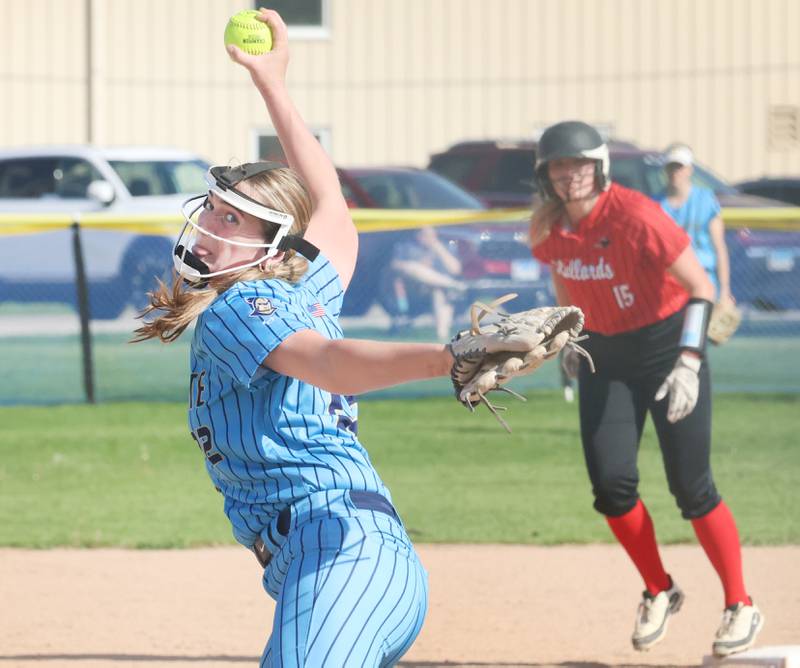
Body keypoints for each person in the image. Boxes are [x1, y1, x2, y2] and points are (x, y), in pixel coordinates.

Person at [132, 10, 455, 666]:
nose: (210, 226)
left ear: (271, 246)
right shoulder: (306, 287)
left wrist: (446, 358)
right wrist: (272, 83)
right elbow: (331, 201)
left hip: (337, 554)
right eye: (214, 210)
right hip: (355, 561)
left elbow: (331, 364)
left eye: (234, 219)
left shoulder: (242, 302)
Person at [529, 121, 764, 657]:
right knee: (611, 488)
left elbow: (701, 288)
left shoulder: (636, 214)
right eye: (559, 168)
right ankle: (659, 588)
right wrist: (569, 337)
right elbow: (566, 290)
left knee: (691, 487)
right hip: (605, 358)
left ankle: (740, 603)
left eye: (580, 164)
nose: (571, 176)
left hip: (667, 349)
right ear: (547, 176)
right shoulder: (549, 230)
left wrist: (688, 359)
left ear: (601, 166)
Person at [656, 143, 736, 309]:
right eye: (671, 166)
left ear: (690, 169)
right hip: (666, 287)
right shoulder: (655, 205)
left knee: (698, 333)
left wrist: (724, 291)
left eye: (680, 166)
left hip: (703, 282)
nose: (675, 171)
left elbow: (719, 248)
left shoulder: (705, 200)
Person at [389, 225, 464, 340]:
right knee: (413, 268)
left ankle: (442, 336)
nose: (429, 238)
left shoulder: (443, 247)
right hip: (412, 292)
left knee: (439, 291)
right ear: (418, 235)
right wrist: (420, 265)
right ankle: (453, 285)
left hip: (435, 289)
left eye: (432, 235)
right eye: (425, 235)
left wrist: (439, 249)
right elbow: (396, 265)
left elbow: (456, 269)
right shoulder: (406, 246)